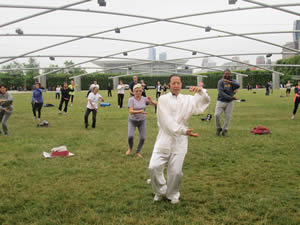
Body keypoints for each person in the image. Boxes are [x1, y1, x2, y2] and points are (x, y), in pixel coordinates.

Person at [148, 74, 210, 204]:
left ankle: (172, 194)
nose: (176, 85)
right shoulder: (163, 99)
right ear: (169, 85)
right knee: (153, 167)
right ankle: (160, 190)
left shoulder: (187, 99)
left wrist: (201, 92)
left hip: (181, 139)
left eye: (178, 83)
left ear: (181, 85)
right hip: (164, 137)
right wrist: (182, 130)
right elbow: (166, 121)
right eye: (173, 83)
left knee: (175, 172)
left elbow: (202, 104)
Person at [126, 83, 156, 158]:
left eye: (140, 91)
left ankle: (137, 152)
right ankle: (130, 148)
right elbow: (131, 111)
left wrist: (151, 101)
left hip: (142, 121)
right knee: (130, 136)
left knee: (143, 138)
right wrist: (140, 111)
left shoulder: (144, 98)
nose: (138, 92)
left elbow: (155, 104)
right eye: (136, 91)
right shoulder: (131, 99)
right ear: (133, 92)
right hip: (132, 121)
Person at [215, 69, 240, 137]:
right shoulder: (220, 82)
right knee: (216, 115)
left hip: (230, 103)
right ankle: (218, 128)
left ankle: (225, 131)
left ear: (230, 74)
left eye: (228, 74)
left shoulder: (232, 81)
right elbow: (221, 92)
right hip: (221, 101)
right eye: (226, 74)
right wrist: (231, 98)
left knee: (227, 117)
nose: (227, 75)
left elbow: (238, 85)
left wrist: (229, 82)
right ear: (223, 74)